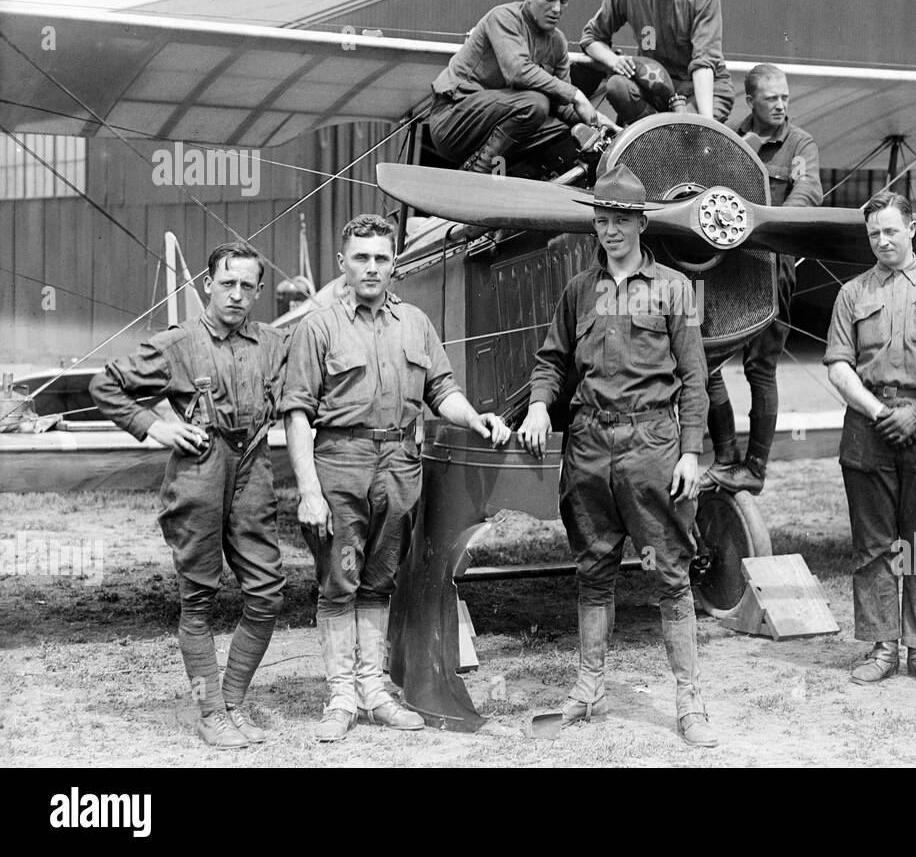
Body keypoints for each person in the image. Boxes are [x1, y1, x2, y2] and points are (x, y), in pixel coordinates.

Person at [281, 214, 510, 741]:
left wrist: (474, 418)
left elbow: (442, 390)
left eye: (382, 257)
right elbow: (296, 413)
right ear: (342, 263)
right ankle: (341, 695)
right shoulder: (318, 326)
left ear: (395, 263)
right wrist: (309, 491)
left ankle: (376, 691)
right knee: (339, 577)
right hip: (341, 460)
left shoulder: (415, 323)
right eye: (361, 257)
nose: (372, 267)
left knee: (381, 577)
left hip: (401, 463)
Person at [517, 164, 716, 747]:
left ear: (641, 222)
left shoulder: (676, 289)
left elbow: (695, 379)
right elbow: (553, 360)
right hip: (588, 446)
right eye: (601, 219)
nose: (610, 230)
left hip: (652, 446)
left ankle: (689, 699)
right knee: (593, 570)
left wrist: (691, 451)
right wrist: (536, 406)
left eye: (621, 220)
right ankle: (589, 686)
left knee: (670, 575)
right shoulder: (579, 290)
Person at [90, 242, 288, 749]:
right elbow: (106, 386)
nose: (237, 294)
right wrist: (157, 427)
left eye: (248, 286)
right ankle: (210, 712)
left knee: (266, 592)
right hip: (200, 468)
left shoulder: (272, 343)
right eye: (227, 283)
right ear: (207, 285)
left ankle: (234, 702)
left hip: (254, 468)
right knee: (197, 599)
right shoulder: (176, 345)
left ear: (260, 291)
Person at [823, 192, 916, 688]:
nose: (882, 241)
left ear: (912, 229)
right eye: (873, 234)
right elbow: (839, 367)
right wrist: (880, 410)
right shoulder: (851, 294)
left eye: (890, 230)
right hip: (869, 427)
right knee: (874, 545)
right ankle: (881, 647)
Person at [704, 63, 822, 494]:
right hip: (729, 269)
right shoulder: (732, 140)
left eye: (786, 98)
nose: (780, 105)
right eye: (771, 98)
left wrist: (759, 222)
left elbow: (808, 193)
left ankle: (755, 467)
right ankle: (725, 458)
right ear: (750, 99)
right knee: (704, 361)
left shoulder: (800, 143)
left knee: (761, 366)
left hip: (773, 266)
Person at [428, 0, 609, 173]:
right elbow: (518, 72)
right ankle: (478, 172)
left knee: (567, 133)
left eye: (564, 1)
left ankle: (522, 189)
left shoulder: (558, 42)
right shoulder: (504, 17)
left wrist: (599, 123)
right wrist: (577, 94)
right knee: (536, 103)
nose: (556, 9)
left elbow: (561, 105)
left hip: (496, 130)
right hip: (453, 121)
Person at [580, 0, 734, 125]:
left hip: (702, 89)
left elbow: (703, 64)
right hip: (655, 86)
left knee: (689, 134)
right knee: (617, 85)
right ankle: (656, 135)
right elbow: (591, 38)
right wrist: (613, 60)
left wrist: (706, 125)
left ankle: (670, 134)